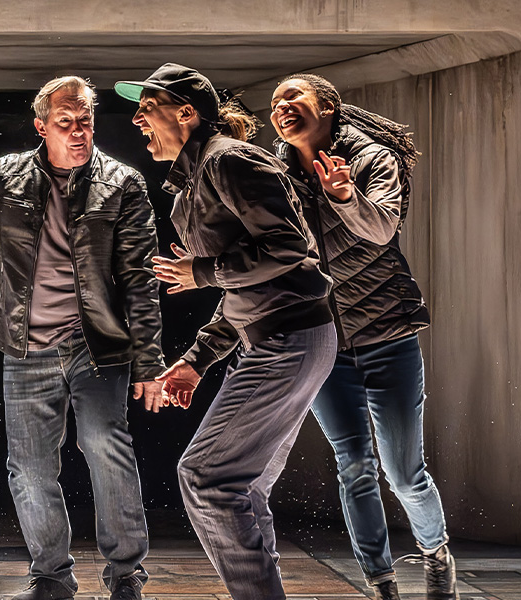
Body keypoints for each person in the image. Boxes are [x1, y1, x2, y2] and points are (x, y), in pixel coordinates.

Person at [0, 76, 164, 600]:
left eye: (85, 120)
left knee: (106, 445)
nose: (79, 131)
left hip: (97, 345)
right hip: (26, 345)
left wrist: (149, 362)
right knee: (30, 468)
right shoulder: (8, 174)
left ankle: (126, 574)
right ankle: (52, 576)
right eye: (66, 123)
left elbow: (140, 279)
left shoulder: (123, 183)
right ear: (42, 126)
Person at [115, 63, 336, 600]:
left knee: (206, 478)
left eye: (149, 106)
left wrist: (202, 272)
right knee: (243, 486)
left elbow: (290, 249)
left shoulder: (228, 160)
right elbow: (246, 288)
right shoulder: (192, 184)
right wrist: (198, 358)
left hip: (289, 339)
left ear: (187, 113)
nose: (138, 118)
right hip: (281, 339)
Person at [267, 73, 457, 600]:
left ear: (327, 106)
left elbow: (381, 230)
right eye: (275, 102)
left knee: (405, 473)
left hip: (387, 335)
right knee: (354, 466)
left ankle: (435, 553)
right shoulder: (275, 176)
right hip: (324, 345)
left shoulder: (372, 158)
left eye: (293, 97)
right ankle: (381, 582)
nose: (281, 107)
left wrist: (345, 195)